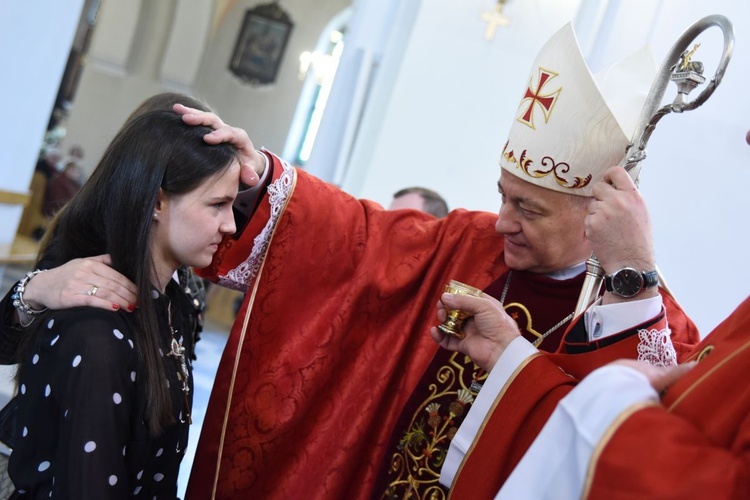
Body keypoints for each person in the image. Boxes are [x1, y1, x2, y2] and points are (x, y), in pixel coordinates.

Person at [1, 26, 699, 499]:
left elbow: (645, 443)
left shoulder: (640, 317)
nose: (504, 221)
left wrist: (634, 274)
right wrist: (263, 180)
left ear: (595, 216)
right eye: (502, 197)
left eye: (531, 210)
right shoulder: (468, 243)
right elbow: (354, 243)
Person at [7, 109, 240, 498]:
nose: (230, 225)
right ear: (157, 203)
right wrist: (32, 291)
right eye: (217, 205)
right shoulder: (98, 335)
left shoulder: (170, 302)